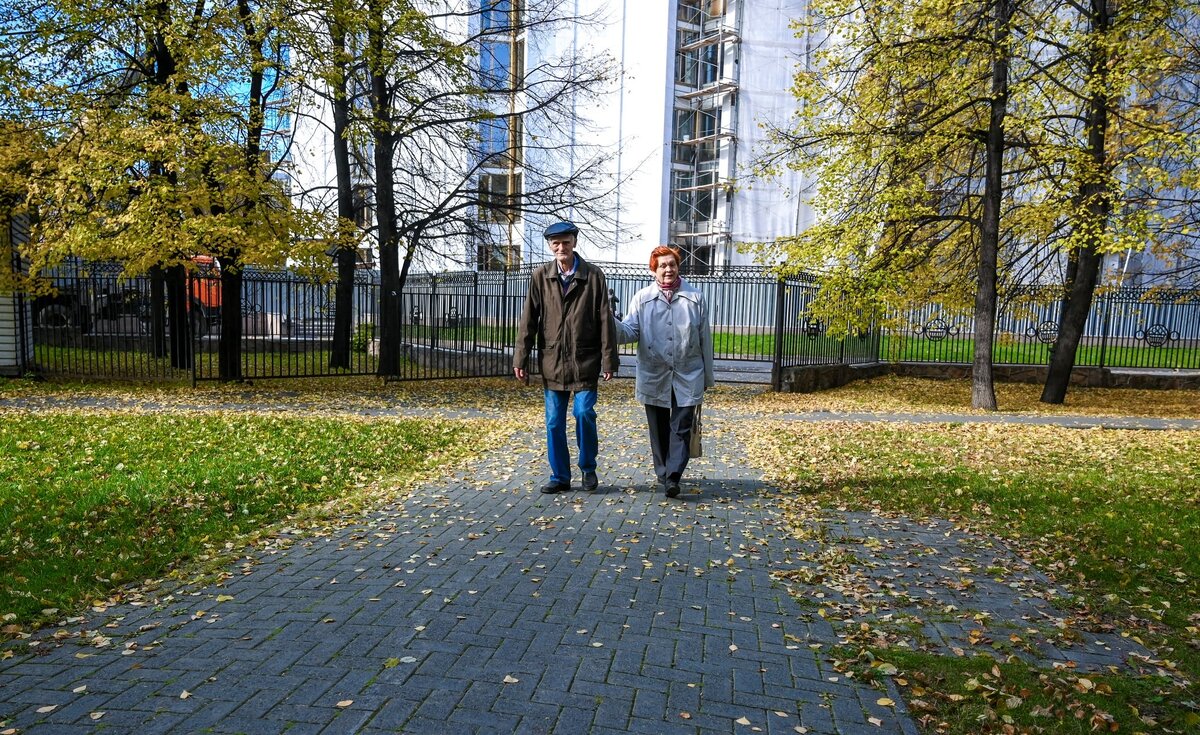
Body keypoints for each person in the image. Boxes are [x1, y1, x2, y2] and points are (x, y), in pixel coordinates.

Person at [514, 221, 619, 494]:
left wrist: (609, 360)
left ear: (574, 242)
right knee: (553, 422)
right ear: (550, 246)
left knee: (584, 412)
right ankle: (560, 476)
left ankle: (588, 468)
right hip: (552, 362)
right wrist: (520, 358)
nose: (561, 247)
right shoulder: (540, 276)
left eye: (566, 242)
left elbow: (605, 319)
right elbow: (529, 320)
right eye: (556, 243)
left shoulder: (593, 275)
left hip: (585, 360)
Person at [614, 245, 714, 498]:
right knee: (658, 427)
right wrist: (608, 319)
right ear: (654, 270)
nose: (668, 269)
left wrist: (707, 378)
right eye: (662, 266)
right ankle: (663, 472)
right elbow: (629, 332)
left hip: (688, 372)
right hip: (654, 372)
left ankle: (673, 476)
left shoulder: (695, 298)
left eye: (672, 264)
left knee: (681, 426)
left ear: (678, 267)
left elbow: (705, 339)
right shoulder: (642, 298)